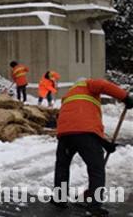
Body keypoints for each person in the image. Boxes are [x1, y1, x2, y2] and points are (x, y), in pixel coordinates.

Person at [53, 78, 133, 214]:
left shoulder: (69, 95)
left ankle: (59, 198)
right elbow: (103, 85)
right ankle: (94, 205)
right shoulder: (88, 84)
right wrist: (125, 97)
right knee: (96, 168)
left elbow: (78, 121)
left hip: (65, 134)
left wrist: (104, 143)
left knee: (62, 166)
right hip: (85, 134)